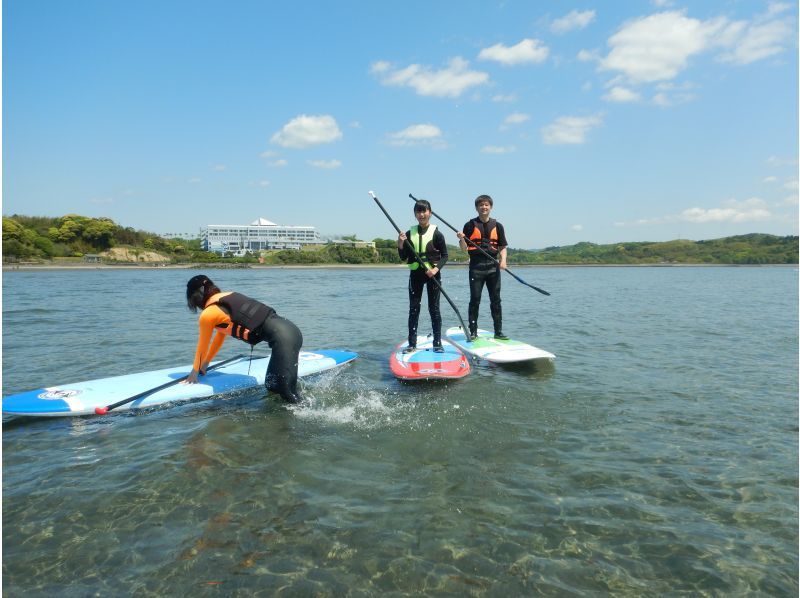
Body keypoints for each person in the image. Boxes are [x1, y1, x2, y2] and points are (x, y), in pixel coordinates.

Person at [183, 275, 304, 403]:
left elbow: (202, 346)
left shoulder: (208, 314)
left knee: (285, 391)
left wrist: (194, 372)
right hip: (286, 333)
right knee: (271, 385)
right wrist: (205, 364)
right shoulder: (225, 298)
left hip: (283, 338)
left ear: (195, 296)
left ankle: (305, 416)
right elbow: (219, 338)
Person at [398, 199, 449, 353]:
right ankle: (412, 344)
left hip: (432, 275)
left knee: (434, 309)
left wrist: (435, 269)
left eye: (424, 211)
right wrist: (400, 243)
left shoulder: (437, 234)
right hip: (416, 276)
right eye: (418, 211)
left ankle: (437, 343)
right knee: (414, 309)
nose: (421, 214)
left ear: (430, 213)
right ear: (415, 214)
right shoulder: (408, 234)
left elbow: (445, 256)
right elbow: (402, 257)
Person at [457, 194, 509, 340]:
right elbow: (463, 249)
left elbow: (503, 246)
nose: (483, 207)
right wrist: (461, 239)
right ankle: (473, 331)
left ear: (490, 207)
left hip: (493, 267)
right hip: (476, 267)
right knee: (475, 300)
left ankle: (498, 332)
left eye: (486, 205)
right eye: (481, 205)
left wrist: (503, 260)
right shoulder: (469, 225)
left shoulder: (498, 226)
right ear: (476, 208)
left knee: (496, 300)